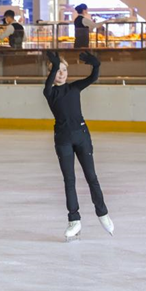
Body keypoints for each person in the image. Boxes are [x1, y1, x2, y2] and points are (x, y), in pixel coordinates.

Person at [43, 50, 113, 241]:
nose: (61, 73)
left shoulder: (74, 88)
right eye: (57, 70)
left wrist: (96, 64)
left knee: (91, 176)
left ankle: (103, 212)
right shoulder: (49, 92)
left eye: (64, 70)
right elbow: (49, 83)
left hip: (82, 137)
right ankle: (74, 219)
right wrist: (55, 64)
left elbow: (93, 77)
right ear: (51, 73)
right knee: (70, 180)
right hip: (63, 139)